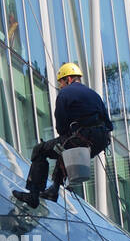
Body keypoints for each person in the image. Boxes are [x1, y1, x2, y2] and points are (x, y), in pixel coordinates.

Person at [13, 61, 113, 209]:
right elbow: (109, 124)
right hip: (101, 139)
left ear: (69, 79)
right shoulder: (94, 95)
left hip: (82, 137)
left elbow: (60, 125)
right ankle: (54, 189)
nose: (60, 86)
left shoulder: (65, 94)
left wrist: (66, 135)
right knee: (63, 149)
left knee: (40, 150)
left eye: (61, 82)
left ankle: (33, 194)